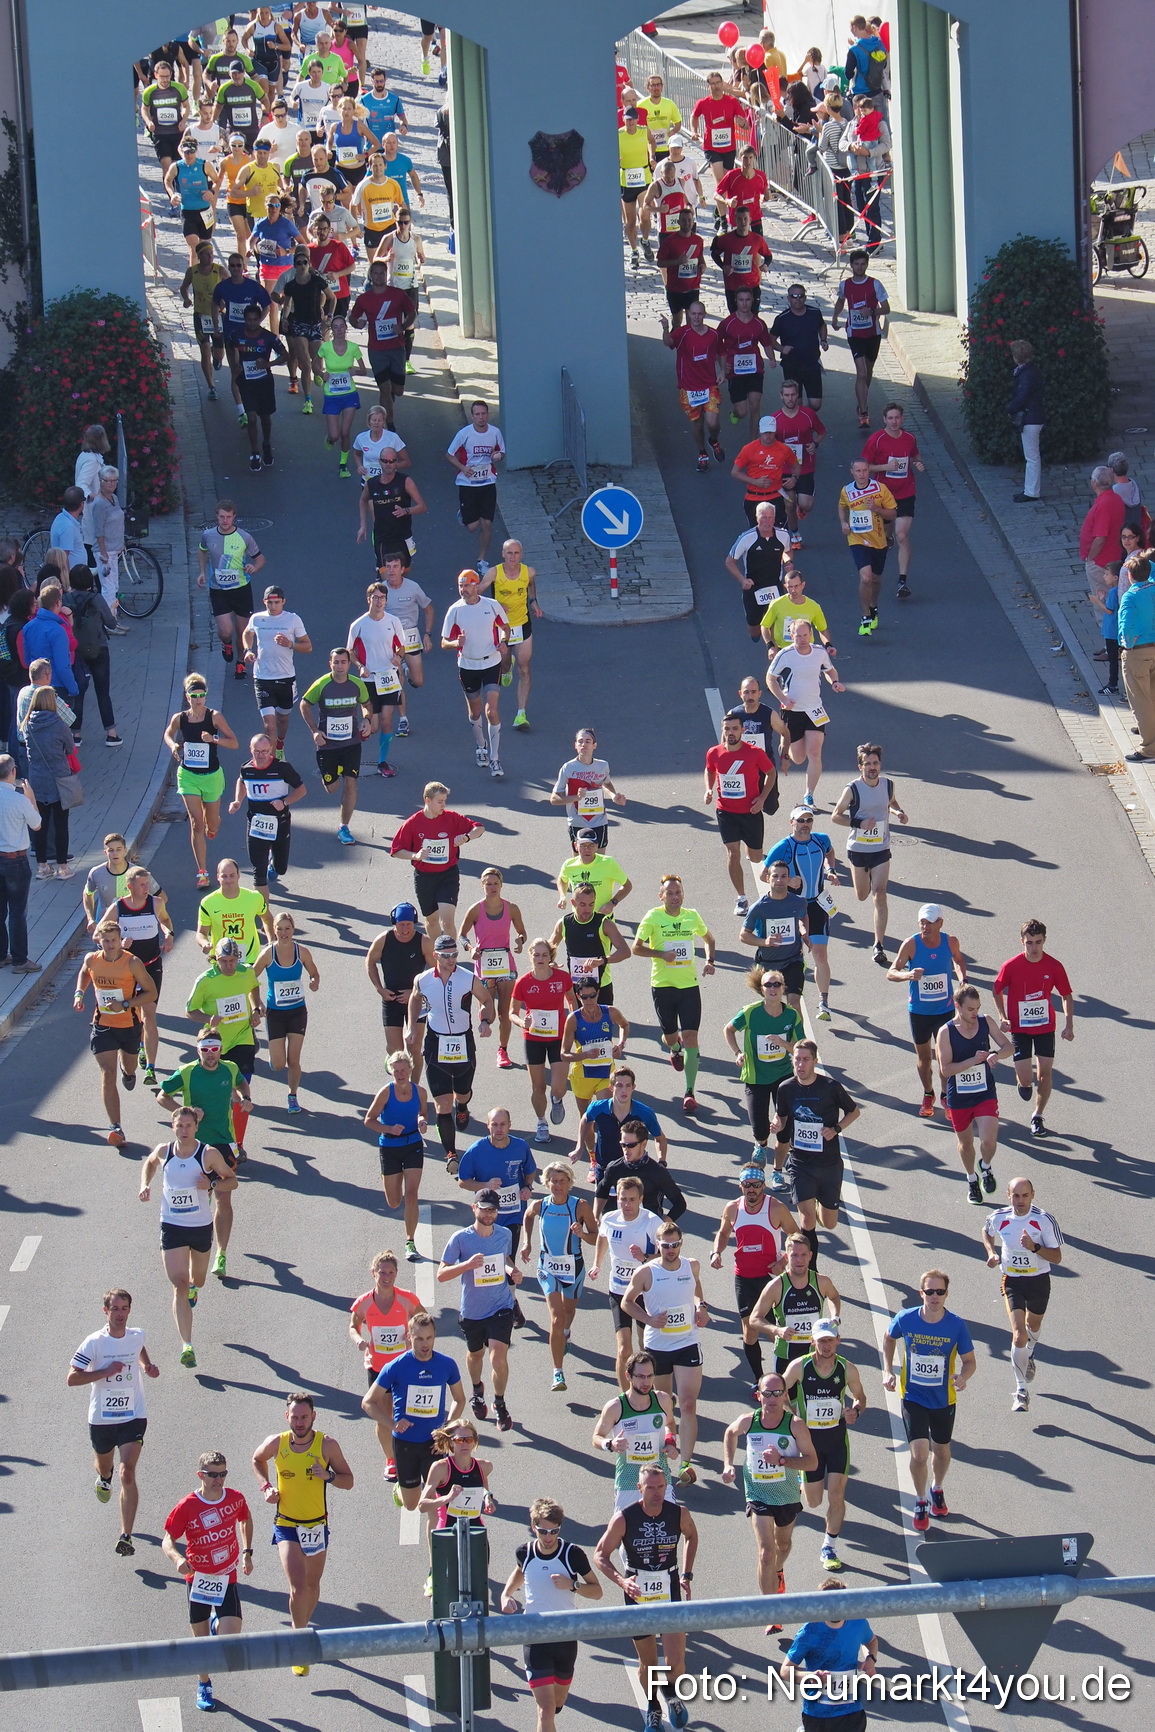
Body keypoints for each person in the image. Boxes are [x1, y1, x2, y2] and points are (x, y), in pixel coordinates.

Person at [252, 1394, 355, 1672]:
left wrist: (328, 1476)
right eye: (295, 1417)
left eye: (304, 1417)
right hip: (286, 1523)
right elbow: (257, 1459)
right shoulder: (277, 1442)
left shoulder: (327, 1445)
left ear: (313, 1417)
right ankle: (299, 1645)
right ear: (287, 1417)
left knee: (311, 1585)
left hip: (316, 1526)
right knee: (297, 1586)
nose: (299, 1422)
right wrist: (266, 1487)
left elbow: (349, 1481)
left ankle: (301, 1625)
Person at [594, 1465, 698, 1731]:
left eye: (660, 1487)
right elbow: (600, 1555)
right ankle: (653, 1707)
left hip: (670, 1589)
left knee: (677, 1663)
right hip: (638, 1593)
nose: (656, 1493)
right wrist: (622, 1581)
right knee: (648, 1662)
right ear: (639, 1489)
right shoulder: (624, 1518)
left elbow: (691, 1536)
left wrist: (686, 1574)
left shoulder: (679, 1513)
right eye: (650, 1488)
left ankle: (670, 1693)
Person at [139, 1107, 236, 1365]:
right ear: (173, 1127)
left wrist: (212, 1184)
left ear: (196, 1127)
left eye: (188, 1126)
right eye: (179, 1126)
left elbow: (232, 1180)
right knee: (179, 1286)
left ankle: (194, 1288)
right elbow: (149, 1163)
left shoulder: (208, 1154)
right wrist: (145, 1185)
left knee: (198, 1280)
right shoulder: (164, 1151)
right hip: (172, 1225)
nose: (184, 1131)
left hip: (200, 1226)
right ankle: (187, 1345)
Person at [68, 1286, 159, 1560]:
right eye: (115, 1309)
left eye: (124, 1308)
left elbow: (137, 1348)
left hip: (133, 1415)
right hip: (102, 1419)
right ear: (105, 1311)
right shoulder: (94, 1343)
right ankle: (104, 1477)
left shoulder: (136, 1335)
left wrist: (146, 1366)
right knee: (106, 1467)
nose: (120, 1314)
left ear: (130, 1310)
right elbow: (72, 1378)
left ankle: (125, 1535)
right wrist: (105, 1372)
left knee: (127, 1473)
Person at [722, 1371, 818, 1628]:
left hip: (787, 1496)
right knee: (766, 1553)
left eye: (777, 1393)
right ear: (759, 1395)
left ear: (785, 1395)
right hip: (758, 1495)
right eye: (767, 1393)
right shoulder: (748, 1421)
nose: (772, 1398)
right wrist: (728, 1464)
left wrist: (782, 1461)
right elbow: (730, 1433)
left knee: (782, 1546)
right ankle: (770, 1611)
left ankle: (777, 1572)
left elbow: (812, 1462)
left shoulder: (795, 1425)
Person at [883, 1269, 976, 1533]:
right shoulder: (906, 1318)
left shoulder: (956, 1325)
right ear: (921, 1293)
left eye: (940, 1292)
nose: (935, 1297)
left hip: (943, 1399)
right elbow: (889, 1338)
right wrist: (888, 1370)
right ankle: (921, 1500)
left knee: (942, 1451)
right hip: (913, 1396)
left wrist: (963, 1377)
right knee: (920, 1453)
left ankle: (937, 1487)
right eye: (930, 1291)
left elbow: (970, 1361)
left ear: (947, 1294)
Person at [161, 1450, 253, 1714]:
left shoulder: (234, 1498)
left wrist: (247, 1552)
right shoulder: (187, 1506)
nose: (218, 1480)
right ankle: (204, 1684)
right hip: (198, 1579)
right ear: (200, 1475)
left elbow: (245, 1518)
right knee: (201, 1644)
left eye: (222, 1474)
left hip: (226, 1577)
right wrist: (178, 1559)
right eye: (212, 1475)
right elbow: (167, 1540)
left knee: (229, 1641)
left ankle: (217, 1623)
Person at [501, 1499, 602, 1732]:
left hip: (565, 1637)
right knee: (545, 1710)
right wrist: (506, 1594)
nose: (549, 1537)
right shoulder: (525, 1552)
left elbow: (597, 1592)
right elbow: (520, 1571)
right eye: (543, 1531)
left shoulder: (572, 1554)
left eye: (554, 1531)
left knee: (557, 1703)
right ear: (533, 1527)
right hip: (535, 1636)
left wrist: (573, 1585)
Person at [621, 1220, 708, 1485]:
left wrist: (701, 1307)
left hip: (687, 1342)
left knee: (689, 1403)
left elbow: (696, 1288)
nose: (671, 1250)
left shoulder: (691, 1265)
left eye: (675, 1245)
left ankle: (685, 1464)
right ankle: (665, 1453)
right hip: (658, 1346)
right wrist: (648, 1319)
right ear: (657, 1245)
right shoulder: (647, 1272)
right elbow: (626, 1302)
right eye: (666, 1245)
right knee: (663, 1404)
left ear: (681, 1243)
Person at [781, 1319, 867, 1571]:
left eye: (830, 1340)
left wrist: (855, 1411)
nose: (826, 1345)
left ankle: (830, 1546)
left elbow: (860, 1397)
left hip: (837, 1439)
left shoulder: (847, 1369)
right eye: (821, 1341)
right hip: (810, 1442)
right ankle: (802, 1478)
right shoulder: (800, 1366)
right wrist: (792, 1415)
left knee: (837, 1494)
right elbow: (779, 1390)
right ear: (813, 1342)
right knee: (814, 1501)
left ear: (838, 1341)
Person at [407, 934, 496, 1173]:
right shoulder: (423, 979)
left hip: (462, 1041)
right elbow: (414, 1000)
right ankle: (451, 1154)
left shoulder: (468, 978)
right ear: (435, 956)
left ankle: (463, 1106)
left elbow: (487, 1000)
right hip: (436, 1043)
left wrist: (485, 1021)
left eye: (455, 955)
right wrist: (411, 1026)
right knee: (442, 1103)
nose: (451, 959)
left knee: (462, 1093)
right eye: (446, 956)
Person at [362, 1311, 465, 1513]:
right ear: (409, 1337)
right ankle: (400, 1489)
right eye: (419, 1339)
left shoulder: (447, 1365)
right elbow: (368, 1402)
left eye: (429, 1338)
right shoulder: (396, 1366)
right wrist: (392, 1424)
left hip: (435, 1443)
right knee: (411, 1504)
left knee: (437, 1502)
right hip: (405, 1443)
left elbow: (459, 1399)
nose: (425, 1344)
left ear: (435, 1336)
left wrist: (446, 1430)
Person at [438, 1191, 523, 1432]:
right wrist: (467, 1265)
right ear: (473, 1208)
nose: (488, 1214)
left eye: (492, 1210)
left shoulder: (505, 1234)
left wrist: (513, 1271)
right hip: (473, 1310)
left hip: (501, 1306)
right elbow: (441, 1274)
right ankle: (477, 1390)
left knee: (498, 1357)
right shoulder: (460, 1239)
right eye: (484, 1209)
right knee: (475, 1355)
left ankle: (500, 1403)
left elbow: (504, 1259)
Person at [632, 875, 716, 1114]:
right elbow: (636, 948)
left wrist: (710, 961)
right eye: (669, 893)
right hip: (663, 986)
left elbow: (709, 939)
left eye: (678, 892)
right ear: (661, 896)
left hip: (689, 986)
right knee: (670, 1037)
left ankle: (690, 1092)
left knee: (691, 1037)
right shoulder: (653, 917)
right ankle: (675, 1047)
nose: (675, 897)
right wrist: (661, 954)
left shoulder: (692, 916)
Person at [710, 1163, 796, 1385]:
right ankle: (760, 1381)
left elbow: (797, 1237)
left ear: (763, 1186)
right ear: (740, 1186)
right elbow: (723, 1233)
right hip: (744, 1277)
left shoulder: (776, 1208)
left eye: (756, 1185)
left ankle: (785, 1379)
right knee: (749, 1330)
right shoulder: (732, 1208)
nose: (751, 1189)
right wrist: (716, 1252)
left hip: (771, 1278)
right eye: (747, 1185)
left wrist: (783, 1260)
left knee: (775, 1331)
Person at [74, 921, 157, 1145]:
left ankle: (128, 1073)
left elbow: (151, 993)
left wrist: (126, 1004)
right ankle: (116, 1127)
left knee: (129, 1067)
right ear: (99, 941)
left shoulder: (132, 962)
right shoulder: (92, 959)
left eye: (114, 940)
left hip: (129, 1026)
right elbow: (84, 973)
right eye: (106, 941)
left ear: (120, 940)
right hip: (102, 1025)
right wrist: (79, 993)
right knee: (107, 1074)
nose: (110, 945)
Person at [993, 919, 1075, 1138]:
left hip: (1045, 1027)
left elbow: (1066, 995)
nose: (1034, 948)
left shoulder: (1054, 966)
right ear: (1022, 941)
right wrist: (1003, 1017)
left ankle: (1037, 1116)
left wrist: (1068, 1025)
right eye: (1029, 943)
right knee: (1026, 1078)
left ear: (1044, 940)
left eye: (1038, 942)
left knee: (1045, 1076)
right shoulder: (1011, 966)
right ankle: (1023, 1082)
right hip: (1020, 1028)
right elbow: (996, 990)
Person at [186, 938, 262, 1175]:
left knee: (242, 1092)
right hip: (215, 1044)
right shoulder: (205, 981)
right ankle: (210, 1143)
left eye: (232, 961)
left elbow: (254, 987)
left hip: (242, 1039)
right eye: (224, 961)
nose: (229, 966)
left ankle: (237, 1144)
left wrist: (256, 1009)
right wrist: (208, 1019)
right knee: (220, 1097)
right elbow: (190, 1011)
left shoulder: (246, 973)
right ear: (215, 960)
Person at [521, 1162, 598, 1391]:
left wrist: (582, 1234)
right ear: (547, 1183)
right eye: (554, 1181)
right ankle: (558, 1373)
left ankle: (565, 1332)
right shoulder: (540, 1205)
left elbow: (596, 1237)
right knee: (556, 1317)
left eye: (562, 1181)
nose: (558, 1185)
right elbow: (528, 1216)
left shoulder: (580, 1206)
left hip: (574, 1267)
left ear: (570, 1182)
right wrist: (527, 1243)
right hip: (547, 1267)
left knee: (567, 1313)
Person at [936, 985, 1014, 1205]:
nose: (974, 1013)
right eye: (970, 1009)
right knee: (966, 1143)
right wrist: (973, 1060)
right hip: (960, 1097)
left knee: (989, 1141)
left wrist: (995, 1054)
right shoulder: (945, 1032)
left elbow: (1008, 1047)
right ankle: (972, 1178)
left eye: (977, 1008)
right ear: (957, 1006)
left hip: (984, 1092)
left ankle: (985, 1167)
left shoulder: (985, 1021)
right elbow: (946, 1070)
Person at [771, 1044, 860, 1237]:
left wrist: (836, 1129)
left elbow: (854, 1112)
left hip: (828, 1162)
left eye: (806, 1059)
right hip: (800, 1163)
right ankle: (809, 1257)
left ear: (815, 1061)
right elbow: (782, 1116)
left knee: (830, 1223)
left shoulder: (830, 1087)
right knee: (807, 1220)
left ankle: (819, 1202)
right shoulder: (786, 1088)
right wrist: (778, 1124)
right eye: (797, 1059)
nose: (800, 1064)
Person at [830, 741, 906, 963]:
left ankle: (878, 944)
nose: (872, 767)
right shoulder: (852, 789)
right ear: (860, 767)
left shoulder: (888, 785)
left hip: (881, 848)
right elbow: (836, 816)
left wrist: (899, 812)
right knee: (862, 895)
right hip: (859, 849)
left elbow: (891, 802)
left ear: (880, 764)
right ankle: (866, 879)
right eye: (868, 764)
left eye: (875, 763)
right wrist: (859, 823)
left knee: (880, 894)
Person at [887, 904, 967, 1116]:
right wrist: (908, 975)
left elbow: (958, 961)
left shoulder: (950, 942)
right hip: (920, 1013)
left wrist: (963, 980)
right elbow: (891, 972)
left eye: (930, 923)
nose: (925, 927)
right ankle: (928, 1093)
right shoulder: (911, 944)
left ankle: (946, 1096)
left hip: (945, 1010)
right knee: (924, 1058)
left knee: (945, 1057)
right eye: (922, 922)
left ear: (940, 923)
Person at [458, 1107, 538, 1318]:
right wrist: (485, 1185)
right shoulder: (477, 1150)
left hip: (512, 1214)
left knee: (507, 1257)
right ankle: (500, 1303)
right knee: (491, 1261)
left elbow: (530, 1171)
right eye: (494, 1124)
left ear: (510, 1125)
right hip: (486, 1217)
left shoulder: (520, 1147)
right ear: (488, 1126)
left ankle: (510, 1305)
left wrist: (527, 1187)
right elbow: (463, 1181)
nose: (499, 1129)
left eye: (503, 1124)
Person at [763, 805, 841, 1020]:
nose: (805, 825)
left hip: (818, 905)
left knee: (820, 954)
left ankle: (824, 1003)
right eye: (801, 820)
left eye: (809, 820)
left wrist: (830, 870)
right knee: (790, 956)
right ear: (792, 822)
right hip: (791, 908)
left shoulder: (821, 840)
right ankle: (782, 998)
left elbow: (830, 852)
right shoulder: (783, 847)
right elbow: (764, 875)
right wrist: (787, 881)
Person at [724, 969, 805, 1170]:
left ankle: (778, 1170)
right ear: (762, 989)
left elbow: (801, 1047)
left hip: (783, 1077)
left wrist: (783, 1044)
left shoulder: (792, 1015)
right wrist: (737, 1053)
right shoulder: (751, 1012)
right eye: (768, 984)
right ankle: (760, 1145)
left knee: (785, 1130)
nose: (773, 988)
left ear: (784, 988)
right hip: (756, 1077)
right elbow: (729, 1030)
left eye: (777, 984)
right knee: (760, 1129)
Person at [349, 1251, 422, 1474]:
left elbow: (424, 1321)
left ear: (396, 1274)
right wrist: (359, 1340)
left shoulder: (407, 1299)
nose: (387, 1277)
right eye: (382, 1273)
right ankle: (391, 1459)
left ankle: (411, 1453)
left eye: (391, 1272)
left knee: (410, 1412)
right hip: (378, 1367)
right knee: (383, 1417)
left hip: (404, 1365)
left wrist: (412, 1336)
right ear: (374, 1273)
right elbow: (353, 1326)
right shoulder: (363, 1302)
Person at [591, 1183, 665, 1388]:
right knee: (624, 1349)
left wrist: (645, 1257)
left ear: (641, 1199)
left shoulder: (652, 1221)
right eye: (623, 1199)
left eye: (632, 1199)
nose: (627, 1204)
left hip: (645, 1293)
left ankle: (651, 1391)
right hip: (618, 1291)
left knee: (645, 1346)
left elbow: (668, 1255)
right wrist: (597, 1264)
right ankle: (626, 1397)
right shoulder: (609, 1219)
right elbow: (603, 1238)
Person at [766, 618, 845, 809]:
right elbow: (770, 679)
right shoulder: (786, 654)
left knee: (814, 753)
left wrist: (835, 682)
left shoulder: (819, 652)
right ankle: (785, 746)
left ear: (810, 634)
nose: (802, 639)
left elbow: (830, 671)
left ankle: (809, 794)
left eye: (805, 635)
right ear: (791, 636)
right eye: (798, 636)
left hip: (814, 709)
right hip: (792, 711)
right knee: (799, 758)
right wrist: (783, 699)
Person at [390, 780, 484, 940]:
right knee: (432, 920)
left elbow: (479, 828)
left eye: (445, 801)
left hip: (448, 875)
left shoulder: (451, 818)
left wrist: (467, 837)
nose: (443, 805)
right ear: (427, 800)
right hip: (424, 877)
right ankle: (437, 951)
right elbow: (396, 851)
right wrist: (415, 855)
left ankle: (450, 953)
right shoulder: (413, 823)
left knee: (447, 921)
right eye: (440, 801)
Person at [704, 710, 777, 917]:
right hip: (726, 811)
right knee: (732, 853)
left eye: (735, 728)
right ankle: (742, 897)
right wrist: (708, 789)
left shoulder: (754, 753)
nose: (731, 732)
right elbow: (709, 769)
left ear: (742, 730)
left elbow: (771, 773)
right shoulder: (714, 752)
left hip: (751, 811)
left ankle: (762, 861)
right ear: (723, 731)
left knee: (755, 857)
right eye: (727, 729)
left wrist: (762, 798)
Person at [298, 646, 372, 844]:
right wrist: (315, 730)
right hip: (328, 745)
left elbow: (366, 704)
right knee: (332, 788)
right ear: (330, 664)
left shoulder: (357, 684)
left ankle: (344, 827)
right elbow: (304, 704)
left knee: (351, 783)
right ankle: (335, 771)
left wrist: (367, 719)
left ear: (349, 664)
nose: (340, 666)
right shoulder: (322, 684)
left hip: (351, 743)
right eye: (336, 662)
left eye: (343, 662)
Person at [441, 568, 509, 777]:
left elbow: (505, 627)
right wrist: (456, 643)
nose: (463, 590)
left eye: (467, 585)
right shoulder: (455, 610)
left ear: (476, 585)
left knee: (492, 711)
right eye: (460, 586)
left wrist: (504, 642)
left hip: (491, 662)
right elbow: (444, 642)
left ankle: (495, 758)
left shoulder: (492, 605)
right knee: (475, 712)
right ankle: (481, 746)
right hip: (468, 665)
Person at [780, 1578, 879, 1719]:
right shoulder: (809, 1631)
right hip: (817, 1712)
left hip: (852, 1709)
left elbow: (871, 1641)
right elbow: (785, 1671)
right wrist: (810, 1677)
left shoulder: (858, 1623)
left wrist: (871, 1659)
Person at [510, 938, 576, 1144]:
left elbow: (572, 1000)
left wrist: (574, 1021)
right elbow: (512, 1012)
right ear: (530, 956)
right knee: (538, 1087)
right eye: (536, 955)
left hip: (558, 1037)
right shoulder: (523, 983)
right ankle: (541, 1122)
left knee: (558, 1086)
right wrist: (522, 1022)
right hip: (534, 1039)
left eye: (544, 955)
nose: (540, 958)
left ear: (550, 957)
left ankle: (557, 1099)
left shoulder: (562, 978)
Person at [460, 866, 527, 1066]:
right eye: (488, 884)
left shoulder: (512, 908)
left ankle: (503, 1050)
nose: (492, 887)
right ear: (482, 886)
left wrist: (520, 940)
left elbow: (522, 932)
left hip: (505, 964)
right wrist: (470, 948)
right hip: (484, 964)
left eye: (495, 883)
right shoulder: (475, 909)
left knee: (505, 1012)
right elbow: (462, 935)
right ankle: (484, 1024)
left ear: (501, 884)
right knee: (487, 1006)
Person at [253, 911, 319, 1113]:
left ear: (293, 929)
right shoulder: (268, 954)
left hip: (297, 1011)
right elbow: (250, 980)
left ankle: (292, 1096)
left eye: (287, 928)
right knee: (279, 1064)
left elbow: (314, 972)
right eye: (279, 929)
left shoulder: (302, 952)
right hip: (275, 1013)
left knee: (294, 1059)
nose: (284, 933)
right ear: (274, 930)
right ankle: (274, 1057)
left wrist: (314, 981)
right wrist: (257, 1003)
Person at [345, 570, 408, 778]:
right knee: (371, 727)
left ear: (386, 600)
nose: (379, 601)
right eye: (375, 597)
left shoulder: (393, 621)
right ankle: (353, 747)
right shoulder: (359, 625)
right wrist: (359, 666)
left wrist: (399, 657)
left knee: (387, 721)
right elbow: (350, 651)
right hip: (369, 679)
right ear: (368, 599)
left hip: (388, 677)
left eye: (382, 598)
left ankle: (382, 761)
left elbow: (401, 647)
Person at [229, 730, 307, 899]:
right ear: (251, 750)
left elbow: (302, 790)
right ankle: (261, 909)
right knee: (258, 871)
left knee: (281, 868)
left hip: (280, 822)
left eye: (264, 751)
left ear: (271, 750)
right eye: (257, 751)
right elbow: (241, 781)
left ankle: (273, 861)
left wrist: (284, 802)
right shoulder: (246, 768)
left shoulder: (283, 768)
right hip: (256, 823)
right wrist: (237, 801)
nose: (261, 755)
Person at [364, 1052, 428, 1253]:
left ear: (410, 1069)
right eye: (396, 1071)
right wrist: (389, 1129)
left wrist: (422, 1121)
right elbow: (369, 1120)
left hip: (413, 1144)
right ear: (391, 1072)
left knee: (411, 1195)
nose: (400, 1074)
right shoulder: (385, 1092)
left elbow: (423, 1113)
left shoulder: (420, 1092)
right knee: (394, 1202)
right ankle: (388, 1176)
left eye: (403, 1070)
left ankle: (410, 1241)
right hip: (390, 1147)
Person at [114, 864, 173, 1085]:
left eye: (147, 884)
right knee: (133, 1014)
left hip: (151, 966)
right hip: (128, 969)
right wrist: (120, 943)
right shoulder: (119, 907)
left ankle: (150, 1067)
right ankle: (137, 1047)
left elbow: (165, 920)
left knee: (149, 1014)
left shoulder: (155, 903)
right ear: (130, 887)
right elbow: (100, 933)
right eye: (141, 885)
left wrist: (169, 934)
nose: (146, 888)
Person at [750, 1233, 842, 1369]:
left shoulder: (822, 1281)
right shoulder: (776, 1286)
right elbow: (754, 1319)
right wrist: (777, 1330)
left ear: (810, 1256)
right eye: (794, 1255)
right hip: (786, 1355)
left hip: (816, 1354)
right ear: (786, 1257)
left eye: (803, 1255)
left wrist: (835, 1317)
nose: (799, 1260)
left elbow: (834, 1297)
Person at [862, 403, 924, 598]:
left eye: (897, 418)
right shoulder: (876, 439)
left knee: (902, 535)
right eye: (890, 418)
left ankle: (902, 581)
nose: (894, 422)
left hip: (906, 492)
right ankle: (887, 535)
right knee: (887, 532)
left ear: (902, 419)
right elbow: (864, 466)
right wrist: (886, 467)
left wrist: (918, 463)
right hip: (884, 495)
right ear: (884, 420)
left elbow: (915, 455)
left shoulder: (909, 438)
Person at [477, 539, 540, 730]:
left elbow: (531, 586)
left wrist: (534, 602)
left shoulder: (528, 572)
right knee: (504, 665)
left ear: (521, 555)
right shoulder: (494, 573)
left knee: (524, 668)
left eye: (516, 553)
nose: (513, 557)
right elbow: (476, 593)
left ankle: (521, 713)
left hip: (522, 624)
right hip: (501, 626)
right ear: (503, 554)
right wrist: (494, 605)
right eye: (509, 553)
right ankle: (507, 667)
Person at [366, 902, 435, 1077]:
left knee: (415, 1047)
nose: (405, 929)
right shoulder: (384, 940)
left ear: (414, 923)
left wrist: (416, 992)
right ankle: (393, 1064)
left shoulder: (424, 942)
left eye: (409, 924)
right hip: (391, 999)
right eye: (401, 925)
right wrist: (380, 989)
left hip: (417, 1000)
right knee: (396, 1050)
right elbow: (370, 961)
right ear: (394, 923)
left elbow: (438, 972)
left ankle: (414, 1087)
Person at [241, 585, 311, 754]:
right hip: (262, 677)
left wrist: (290, 644)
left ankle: (280, 745)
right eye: (269, 602)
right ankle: (272, 761)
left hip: (285, 677)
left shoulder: (293, 619)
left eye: (277, 602)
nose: (273, 606)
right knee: (270, 726)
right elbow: (247, 633)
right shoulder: (257, 619)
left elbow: (308, 646)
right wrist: (248, 650)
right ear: (264, 601)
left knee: (283, 719)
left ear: (283, 602)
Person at [350, 256, 416, 425]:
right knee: (384, 389)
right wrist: (357, 324)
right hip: (376, 350)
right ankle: (389, 426)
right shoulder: (364, 299)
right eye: (375, 273)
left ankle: (391, 397)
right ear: (370, 275)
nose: (379, 276)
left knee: (398, 390)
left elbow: (412, 313)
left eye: (382, 273)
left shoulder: (398, 294)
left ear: (386, 275)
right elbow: (353, 317)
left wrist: (403, 327)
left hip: (396, 348)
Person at [740, 861, 811, 1019]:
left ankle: (798, 1034)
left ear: (788, 879)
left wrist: (804, 932)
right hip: (769, 965)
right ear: (768, 878)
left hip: (793, 960)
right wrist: (765, 942)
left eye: (783, 876)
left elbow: (803, 916)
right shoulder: (759, 907)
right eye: (775, 876)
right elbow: (744, 935)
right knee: (774, 1007)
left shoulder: (798, 902)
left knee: (794, 1003)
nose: (779, 880)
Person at [660, 300, 725, 471]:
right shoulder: (682, 333)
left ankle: (714, 440)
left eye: (699, 314)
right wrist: (665, 328)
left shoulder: (713, 334)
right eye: (693, 314)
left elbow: (721, 352)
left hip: (709, 385)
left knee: (712, 422)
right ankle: (702, 453)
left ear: (704, 315)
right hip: (689, 388)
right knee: (697, 424)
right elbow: (668, 342)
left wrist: (723, 371)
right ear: (689, 314)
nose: (696, 317)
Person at [837, 456, 897, 637]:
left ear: (869, 471)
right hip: (857, 539)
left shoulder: (880, 489)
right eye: (858, 471)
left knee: (876, 579)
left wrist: (876, 509)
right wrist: (843, 523)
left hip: (878, 540)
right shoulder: (847, 491)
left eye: (864, 470)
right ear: (852, 472)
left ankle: (873, 606)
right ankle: (865, 617)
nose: (862, 474)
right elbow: (841, 506)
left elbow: (893, 514)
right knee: (866, 577)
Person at [446, 401, 505, 575]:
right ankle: (465, 514)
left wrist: (498, 455)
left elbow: (501, 452)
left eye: (483, 414)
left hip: (488, 482)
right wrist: (463, 468)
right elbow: (449, 455)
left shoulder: (495, 432)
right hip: (467, 484)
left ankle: (482, 560)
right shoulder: (464, 434)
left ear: (488, 414)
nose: (481, 417)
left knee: (487, 523)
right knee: (472, 527)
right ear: (472, 416)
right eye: (477, 414)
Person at [832, 250, 890, 427]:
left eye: (863, 264)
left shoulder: (875, 284)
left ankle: (862, 399)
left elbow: (886, 308)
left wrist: (872, 311)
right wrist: (835, 317)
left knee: (868, 371)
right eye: (856, 264)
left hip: (873, 333)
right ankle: (863, 412)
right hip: (854, 333)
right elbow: (841, 301)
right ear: (851, 265)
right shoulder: (845, 285)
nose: (859, 267)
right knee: (862, 372)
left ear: (867, 265)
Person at [231, 300, 290, 471]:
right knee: (251, 417)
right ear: (244, 320)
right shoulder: (236, 335)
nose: (252, 323)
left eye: (255, 320)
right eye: (248, 320)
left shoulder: (268, 337)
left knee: (265, 417)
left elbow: (285, 355)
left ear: (259, 320)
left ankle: (266, 443)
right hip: (246, 382)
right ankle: (255, 452)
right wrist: (236, 365)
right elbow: (233, 351)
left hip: (264, 382)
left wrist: (268, 364)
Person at [23, 687, 75, 880]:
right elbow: (70, 748)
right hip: (59, 778)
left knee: (40, 824)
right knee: (61, 823)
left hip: (37, 779)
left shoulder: (27, 724)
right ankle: (63, 867)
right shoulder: (59, 724)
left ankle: (42, 866)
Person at [769, 379, 827, 549]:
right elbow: (768, 443)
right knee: (789, 504)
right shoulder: (775, 419)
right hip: (785, 468)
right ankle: (794, 534)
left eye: (793, 395)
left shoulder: (808, 415)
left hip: (805, 467)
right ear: (781, 396)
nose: (790, 398)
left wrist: (814, 444)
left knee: (806, 504)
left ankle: (801, 508)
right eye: (787, 395)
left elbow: (822, 431)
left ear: (798, 395)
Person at [550, 728, 628, 855]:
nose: (584, 744)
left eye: (588, 741)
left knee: (600, 860)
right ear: (575, 745)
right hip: (577, 821)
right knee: (579, 861)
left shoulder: (602, 765)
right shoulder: (568, 768)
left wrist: (614, 796)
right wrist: (576, 798)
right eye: (580, 741)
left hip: (599, 821)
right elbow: (554, 799)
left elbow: (606, 783)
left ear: (594, 745)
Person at [585, 1070, 669, 1182]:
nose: (624, 1090)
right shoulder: (597, 1108)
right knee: (601, 1194)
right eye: (619, 1085)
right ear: (611, 1088)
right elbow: (585, 1120)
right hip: (604, 1169)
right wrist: (579, 1146)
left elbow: (660, 1139)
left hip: (634, 1172)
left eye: (628, 1085)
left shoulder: (645, 1113)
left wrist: (661, 1163)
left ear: (633, 1087)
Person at [0, 754, 40, 972]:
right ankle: (20, 960)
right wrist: (31, 798)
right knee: (17, 911)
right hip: (15, 860)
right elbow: (37, 824)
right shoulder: (19, 800)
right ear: (13, 771)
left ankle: (0, 955)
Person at [726, 505, 789, 641]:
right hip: (753, 587)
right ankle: (758, 634)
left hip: (775, 585)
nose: (767, 521)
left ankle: (772, 647)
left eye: (770, 518)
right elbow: (730, 561)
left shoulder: (783, 535)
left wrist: (788, 562)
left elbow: (787, 551)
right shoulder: (746, 538)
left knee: (776, 624)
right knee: (754, 629)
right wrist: (742, 580)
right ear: (756, 518)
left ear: (774, 518)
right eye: (764, 517)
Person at [196, 854, 272, 965]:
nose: (228, 880)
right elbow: (201, 933)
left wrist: (271, 942)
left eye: (232, 875)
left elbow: (268, 919)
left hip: (249, 959)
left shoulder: (254, 897)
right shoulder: (207, 903)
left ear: (238, 875)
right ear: (218, 877)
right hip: (221, 961)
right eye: (224, 876)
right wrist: (204, 943)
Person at [731, 414, 798, 531]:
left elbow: (795, 466)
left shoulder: (784, 449)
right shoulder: (748, 449)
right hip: (754, 497)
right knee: (757, 533)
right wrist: (755, 482)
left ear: (775, 431)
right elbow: (735, 472)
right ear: (760, 432)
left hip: (775, 496)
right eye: (765, 432)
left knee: (780, 533)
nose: (768, 436)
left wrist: (794, 478)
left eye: (771, 432)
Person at [770, 283, 829, 410]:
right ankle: (802, 420)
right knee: (796, 403)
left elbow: (822, 325)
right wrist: (782, 349)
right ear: (788, 298)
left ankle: (804, 416)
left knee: (816, 404)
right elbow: (771, 340)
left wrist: (823, 340)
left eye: (801, 296)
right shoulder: (782, 318)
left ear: (805, 298)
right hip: (792, 366)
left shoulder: (814, 313)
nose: (798, 299)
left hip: (812, 364)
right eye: (794, 296)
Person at [1119, 554, 1155, 761]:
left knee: (1141, 701)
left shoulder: (1131, 596)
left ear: (1129, 575)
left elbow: (1126, 626)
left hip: (1138, 651)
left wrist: (1127, 646)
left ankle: (1149, 749)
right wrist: (1143, 563)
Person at [711, 205, 773, 314]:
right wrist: (723, 266)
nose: (743, 222)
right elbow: (714, 254)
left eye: (745, 218)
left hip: (752, 285)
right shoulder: (726, 239)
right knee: (735, 316)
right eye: (739, 219)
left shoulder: (757, 239)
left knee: (753, 316)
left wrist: (766, 264)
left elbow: (768, 256)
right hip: (732, 286)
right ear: (735, 220)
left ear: (750, 220)